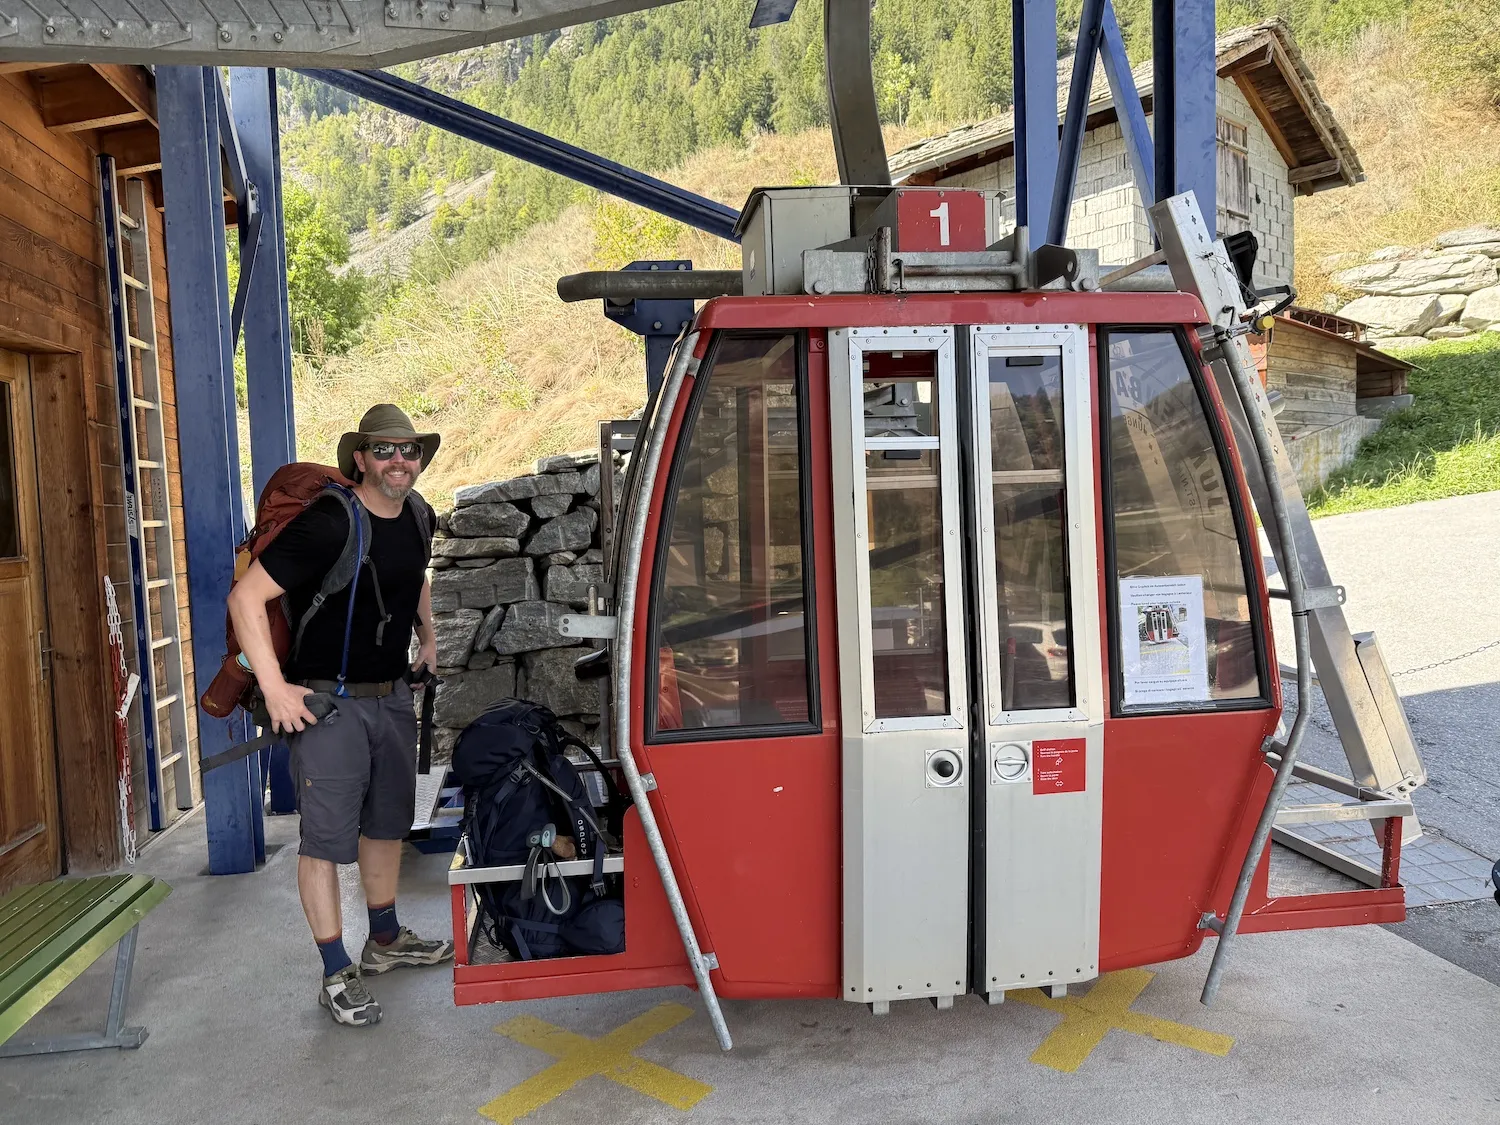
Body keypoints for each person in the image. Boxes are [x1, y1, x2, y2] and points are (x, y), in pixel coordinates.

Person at [228, 404, 454, 1028]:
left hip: (391, 696)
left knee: (386, 823)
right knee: (325, 841)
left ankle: (384, 942)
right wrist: (274, 688)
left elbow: (415, 577)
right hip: (327, 704)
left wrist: (428, 637)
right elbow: (246, 598)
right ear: (360, 457)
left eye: (408, 450)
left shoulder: (417, 513)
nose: (398, 461)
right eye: (383, 450)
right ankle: (334, 971)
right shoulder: (330, 522)